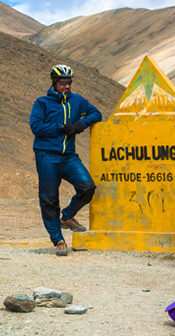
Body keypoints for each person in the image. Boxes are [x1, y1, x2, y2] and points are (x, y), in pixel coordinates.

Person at [30, 64, 102, 256]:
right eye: (63, 83)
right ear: (55, 83)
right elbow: (36, 127)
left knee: (88, 187)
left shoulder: (77, 101)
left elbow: (96, 113)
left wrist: (80, 124)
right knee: (49, 199)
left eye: (69, 83)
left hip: (69, 157)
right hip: (47, 156)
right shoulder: (42, 103)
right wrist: (61, 127)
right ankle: (58, 240)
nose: (67, 86)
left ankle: (67, 216)